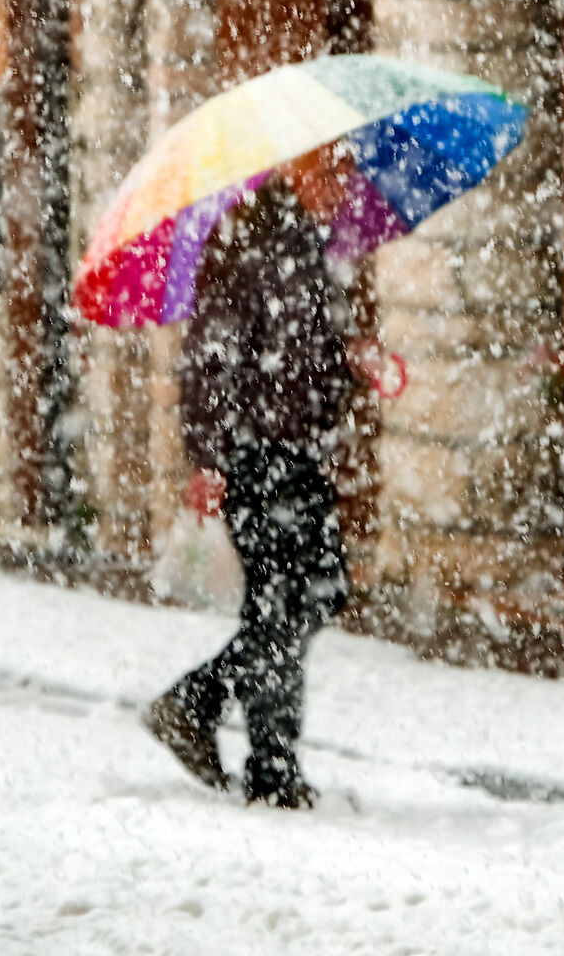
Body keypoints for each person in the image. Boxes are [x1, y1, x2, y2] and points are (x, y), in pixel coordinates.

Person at [143, 183, 352, 809]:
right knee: (300, 599)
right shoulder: (245, 254)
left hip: (295, 456)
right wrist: (208, 458)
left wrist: (349, 362)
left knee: (284, 607)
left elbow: (305, 360)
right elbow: (210, 364)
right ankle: (199, 706)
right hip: (259, 460)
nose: (340, 179)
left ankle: (270, 767)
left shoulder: (306, 249)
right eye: (329, 167)